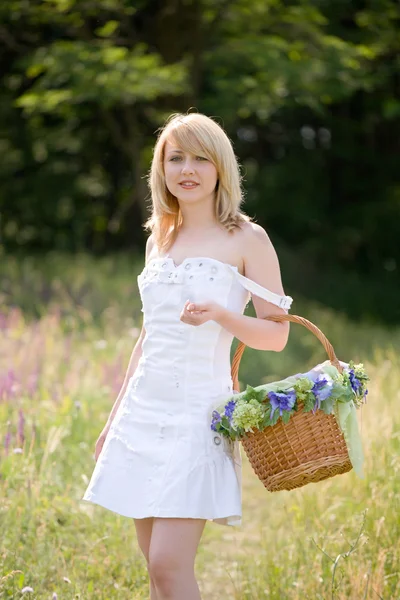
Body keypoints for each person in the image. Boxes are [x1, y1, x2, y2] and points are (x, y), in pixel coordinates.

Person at [82, 112, 293, 600]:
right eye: (175, 158)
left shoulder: (247, 238)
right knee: (156, 573)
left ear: (221, 167)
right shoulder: (161, 238)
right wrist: (113, 420)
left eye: (200, 157)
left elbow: (276, 337)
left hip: (197, 414)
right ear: (162, 169)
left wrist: (222, 314)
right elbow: (147, 336)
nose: (187, 168)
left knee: (169, 565)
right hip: (142, 411)